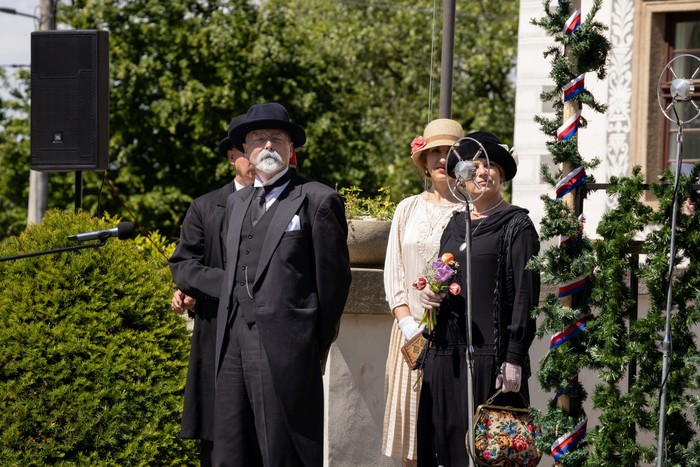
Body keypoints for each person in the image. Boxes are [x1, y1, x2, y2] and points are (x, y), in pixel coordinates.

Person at [213, 102, 352, 467]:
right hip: (233, 342)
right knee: (230, 449)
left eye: (276, 138)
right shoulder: (235, 203)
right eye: (258, 139)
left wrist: (311, 344)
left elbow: (334, 282)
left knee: (283, 450)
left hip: (287, 346)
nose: (267, 145)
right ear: (245, 150)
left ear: (291, 148)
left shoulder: (318, 199)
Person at [417, 131, 540, 467]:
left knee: (488, 455)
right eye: (475, 166)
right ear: (462, 176)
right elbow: (441, 273)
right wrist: (430, 292)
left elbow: (525, 295)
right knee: (443, 452)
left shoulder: (517, 225)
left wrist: (514, 357)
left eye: (492, 166)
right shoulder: (455, 224)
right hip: (445, 355)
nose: (483, 172)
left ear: (502, 175)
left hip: (489, 360)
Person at [168, 113, 254, 466]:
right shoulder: (205, 207)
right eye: (247, 149)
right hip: (217, 332)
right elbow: (184, 265)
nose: (257, 155)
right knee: (219, 443)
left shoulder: (287, 203)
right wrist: (232, 285)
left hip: (265, 338)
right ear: (233, 156)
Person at [382, 118, 466, 466]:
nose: (441, 159)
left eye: (449, 152)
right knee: (412, 443)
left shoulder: (470, 212)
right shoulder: (408, 208)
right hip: (411, 334)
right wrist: (407, 323)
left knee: (449, 436)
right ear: (425, 162)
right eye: (435, 152)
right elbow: (395, 271)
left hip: (453, 336)